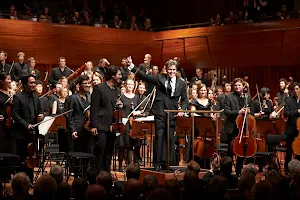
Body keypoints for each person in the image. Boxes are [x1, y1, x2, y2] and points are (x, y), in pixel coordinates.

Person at [127, 57, 188, 171]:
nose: (171, 72)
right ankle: (157, 163)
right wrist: (132, 66)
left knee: (170, 139)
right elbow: (145, 76)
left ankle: (168, 162)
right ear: (166, 69)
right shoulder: (160, 78)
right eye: (169, 69)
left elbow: (185, 100)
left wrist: (182, 110)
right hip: (160, 113)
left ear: (176, 70)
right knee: (159, 138)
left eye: (173, 69)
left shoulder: (181, 83)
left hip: (173, 114)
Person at [11, 74, 44, 183]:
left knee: (30, 159)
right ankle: (20, 182)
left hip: (32, 133)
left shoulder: (36, 97)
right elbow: (14, 114)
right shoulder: (18, 97)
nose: (34, 84)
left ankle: (29, 181)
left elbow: (40, 111)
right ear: (25, 84)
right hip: (21, 133)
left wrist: (41, 116)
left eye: (34, 82)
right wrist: (26, 125)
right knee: (22, 158)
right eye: (31, 83)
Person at [90, 65, 123, 172]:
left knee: (109, 151)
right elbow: (94, 108)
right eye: (118, 74)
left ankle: (106, 174)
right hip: (101, 124)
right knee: (100, 150)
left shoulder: (117, 90)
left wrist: (120, 105)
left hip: (112, 126)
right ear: (112, 76)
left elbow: (115, 107)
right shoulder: (99, 88)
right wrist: (93, 125)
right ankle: (97, 174)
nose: (120, 77)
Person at [224, 78, 253, 176]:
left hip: (243, 128)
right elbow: (227, 112)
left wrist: (249, 111)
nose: (237, 87)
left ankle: (238, 171)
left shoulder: (247, 97)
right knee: (231, 151)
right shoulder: (229, 97)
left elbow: (251, 110)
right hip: (232, 127)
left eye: (239, 85)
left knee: (241, 151)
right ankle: (227, 172)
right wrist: (238, 112)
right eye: (235, 85)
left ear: (243, 86)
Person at [68, 75, 91, 177]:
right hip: (77, 129)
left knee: (87, 153)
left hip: (88, 129)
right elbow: (70, 116)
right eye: (84, 83)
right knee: (78, 154)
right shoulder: (73, 97)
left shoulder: (90, 96)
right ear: (79, 85)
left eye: (87, 83)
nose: (86, 85)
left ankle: (85, 174)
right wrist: (72, 130)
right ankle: (77, 175)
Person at [283, 82, 300, 174]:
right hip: (291, 129)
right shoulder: (289, 100)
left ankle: (298, 169)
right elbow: (286, 113)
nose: (295, 91)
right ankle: (287, 170)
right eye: (294, 89)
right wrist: (297, 111)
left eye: (297, 89)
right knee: (289, 152)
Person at [0, 72, 16, 154]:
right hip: (1, 123)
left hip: (11, 122)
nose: (10, 81)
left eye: (10, 79)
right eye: (8, 79)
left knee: (11, 148)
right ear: (2, 81)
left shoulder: (12, 93)